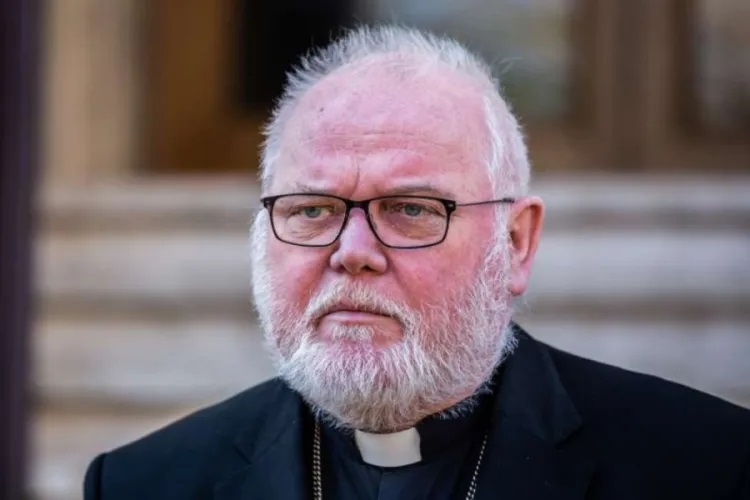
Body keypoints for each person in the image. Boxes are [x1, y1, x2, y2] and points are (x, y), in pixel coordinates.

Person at [84, 25, 750, 500]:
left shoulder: (706, 467)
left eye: (410, 209)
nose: (352, 254)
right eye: (312, 209)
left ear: (516, 242)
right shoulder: (147, 483)